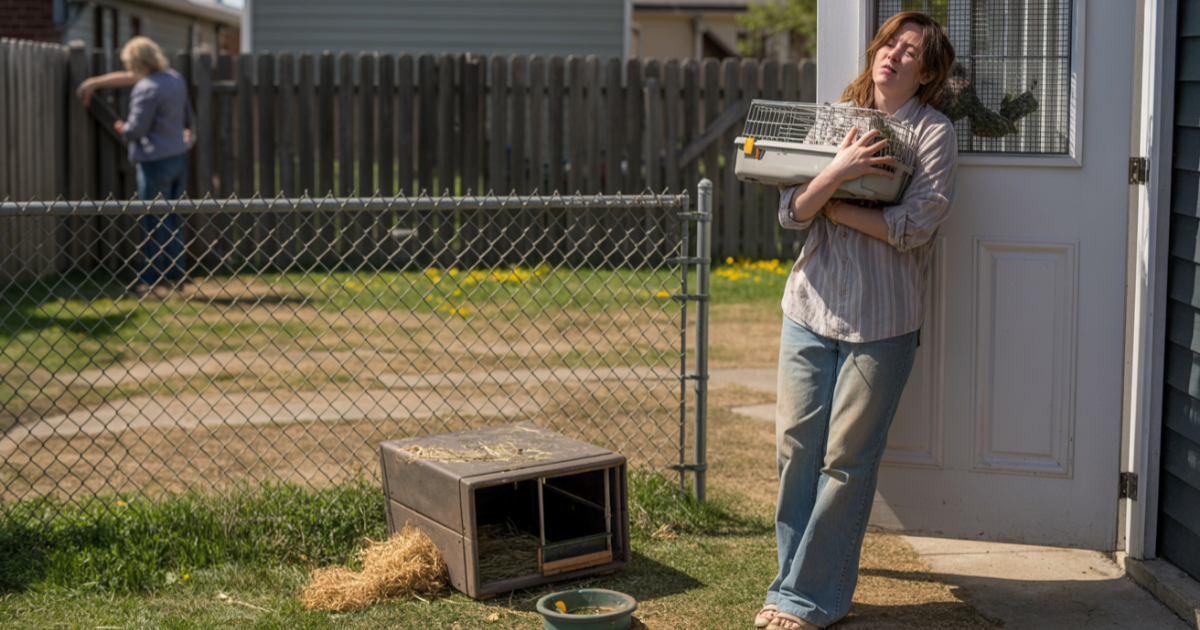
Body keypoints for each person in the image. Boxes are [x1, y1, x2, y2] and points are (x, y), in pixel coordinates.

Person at [755, 12, 957, 630]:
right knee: (797, 450)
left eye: (910, 50)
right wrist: (838, 173)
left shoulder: (933, 133)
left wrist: (834, 207)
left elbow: (915, 226)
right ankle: (793, 586)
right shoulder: (836, 117)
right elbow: (792, 210)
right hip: (809, 308)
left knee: (845, 461)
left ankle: (809, 600)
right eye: (889, 43)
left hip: (882, 323)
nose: (893, 55)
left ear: (926, 73)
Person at [77, 36, 194, 297]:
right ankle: (178, 276)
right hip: (178, 158)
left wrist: (124, 129)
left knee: (154, 219)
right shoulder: (174, 79)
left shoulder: (146, 87)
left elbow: (136, 129)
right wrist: (94, 83)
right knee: (173, 218)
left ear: (137, 62)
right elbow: (188, 116)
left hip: (154, 162)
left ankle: (151, 280)